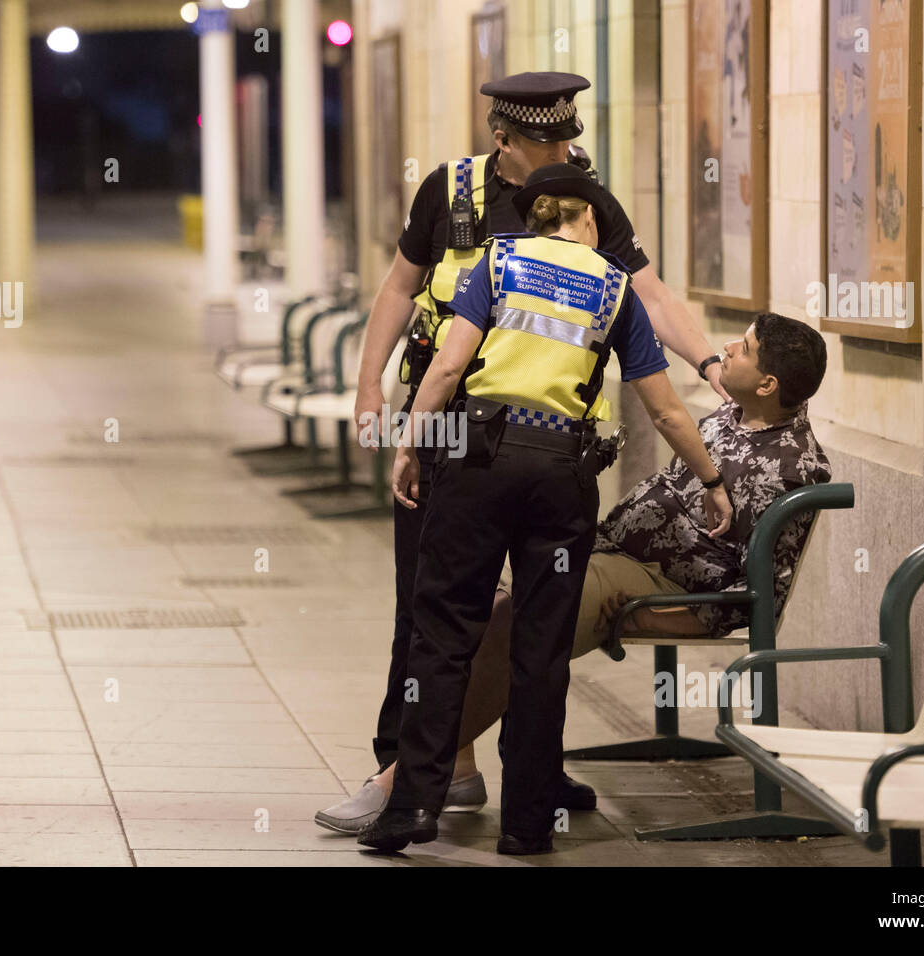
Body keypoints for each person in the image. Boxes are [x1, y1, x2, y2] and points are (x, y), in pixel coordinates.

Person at [324, 70, 730, 835]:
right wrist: (369, 389)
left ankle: (530, 778)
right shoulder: (450, 191)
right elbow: (397, 290)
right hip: (445, 419)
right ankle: (408, 774)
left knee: (531, 621)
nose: (561, 151)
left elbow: (651, 297)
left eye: (566, 137)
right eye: (544, 140)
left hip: (546, 438)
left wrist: (708, 363)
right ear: (501, 137)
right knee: (428, 606)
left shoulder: (589, 201)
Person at [370, 314, 832, 785]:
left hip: (657, 580)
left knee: (528, 619)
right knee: (478, 607)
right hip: (609, 548)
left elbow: (762, 590)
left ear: (768, 384)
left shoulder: (794, 466)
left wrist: (661, 617)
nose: (729, 347)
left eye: (746, 349)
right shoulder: (727, 418)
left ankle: (408, 777)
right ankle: (474, 772)